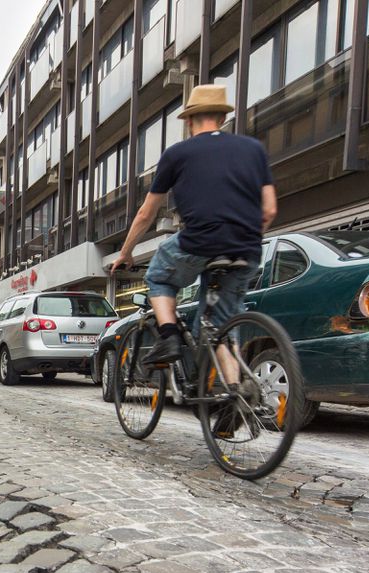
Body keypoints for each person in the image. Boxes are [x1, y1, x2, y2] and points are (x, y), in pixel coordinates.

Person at [109, 84, 277, 386]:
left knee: (158, 275)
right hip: (247, 248)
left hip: (199, 242)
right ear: (222, 118)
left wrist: (126, 252)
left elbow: (147, 213)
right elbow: (269, 210)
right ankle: (234, 393)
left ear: (190, 121)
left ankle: (169, 337)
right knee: (221, 326)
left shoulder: (177, 154)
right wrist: (244, 239)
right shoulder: (254, 150)